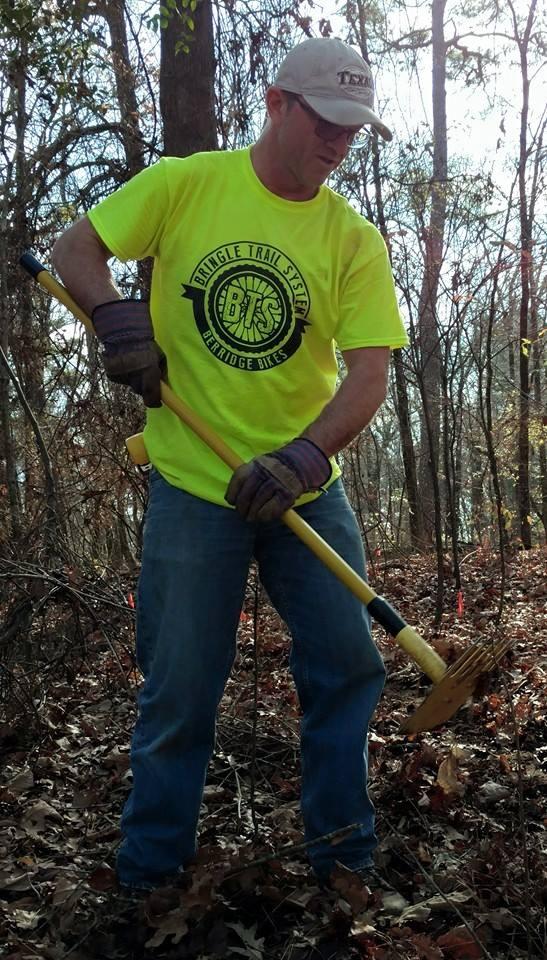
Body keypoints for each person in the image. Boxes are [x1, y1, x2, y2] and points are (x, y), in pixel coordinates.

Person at [52, 36, 409, 891]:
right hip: (192, 482)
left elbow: (368, 372)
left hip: (302, 488)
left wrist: (305, 454)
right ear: (279, 104)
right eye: (326, 123)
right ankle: (148, 875)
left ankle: (342, 863)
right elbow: (74, 251)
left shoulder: (351, 240)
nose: (338, 145)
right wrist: (114, 318)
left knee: (348, 666)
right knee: (179, 688)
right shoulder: (185, 185)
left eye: (354, 132)